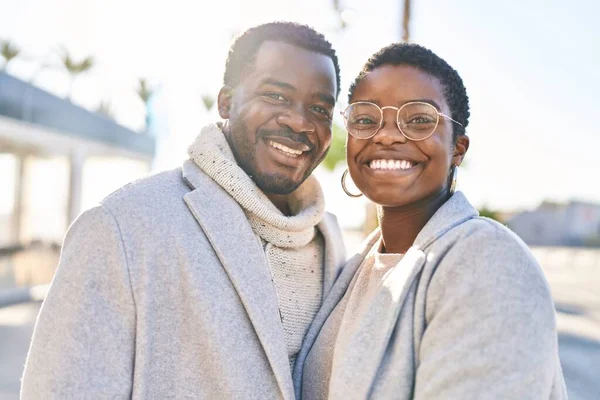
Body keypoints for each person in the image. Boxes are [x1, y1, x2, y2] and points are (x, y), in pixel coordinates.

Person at [21, 22, 346, 399]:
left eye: (320, 108)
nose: (300, 121)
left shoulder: (336, 245)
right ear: (226, 101)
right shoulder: (121, 228)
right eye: (275, 96)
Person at [296, 43, 567, 399]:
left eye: (419, 119)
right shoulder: (353, 269)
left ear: (458, 148)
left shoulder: (487, 262)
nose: (388, 134)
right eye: (365, 119)